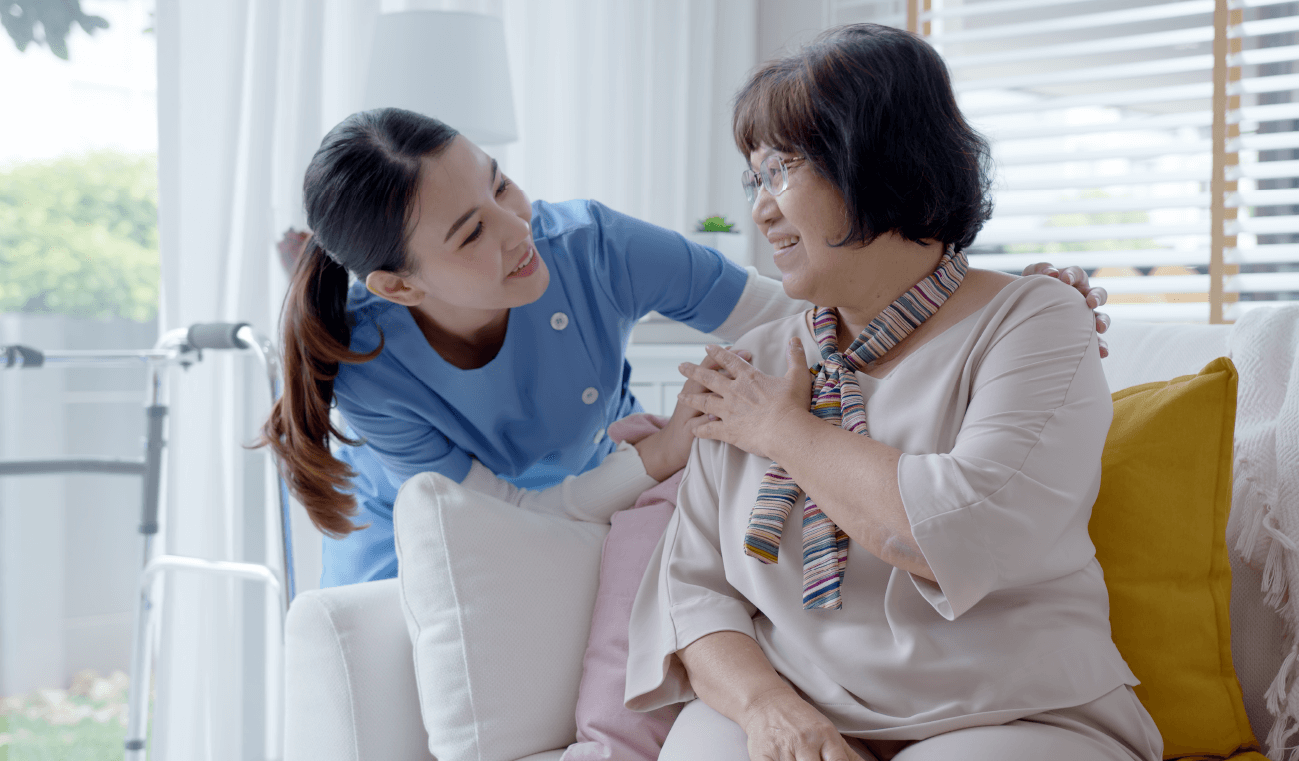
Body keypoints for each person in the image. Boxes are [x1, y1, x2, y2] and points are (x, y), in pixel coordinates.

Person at [259, 107, 1110, 588]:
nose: (521, 228)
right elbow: (498, 521)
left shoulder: (592, 244)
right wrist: (665, 449)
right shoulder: (367, 367)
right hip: (428, 552)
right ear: (400, 286)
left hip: (595, 493)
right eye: (474, 229)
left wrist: (986, 301)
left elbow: (799, 309)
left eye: (501, 183)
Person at [624, 24, 1161, 761]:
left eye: (782, 168)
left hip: (1011, 713)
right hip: (796, 701)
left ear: (878, 161)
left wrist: (780, 431)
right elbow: (692, 591)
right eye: (755, 177)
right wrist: (771, 711)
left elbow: (956, 530)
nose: (760, 210)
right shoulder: (752, 363)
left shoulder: (1034, 319)